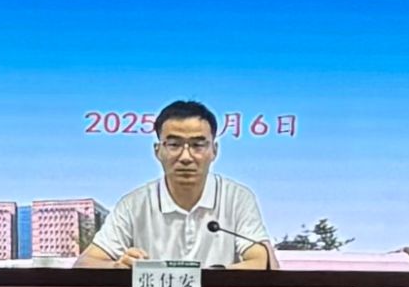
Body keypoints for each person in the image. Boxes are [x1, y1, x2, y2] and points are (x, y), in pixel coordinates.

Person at [87, 99, 271, 269]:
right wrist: (117, 267)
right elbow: (86, 263)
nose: (186, 157)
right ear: (157, 151)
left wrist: (202, 281)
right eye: (174, 145)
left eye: (197, 145)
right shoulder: (133, 204)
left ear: (214, 150)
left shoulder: (237, 198)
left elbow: (262, 262)